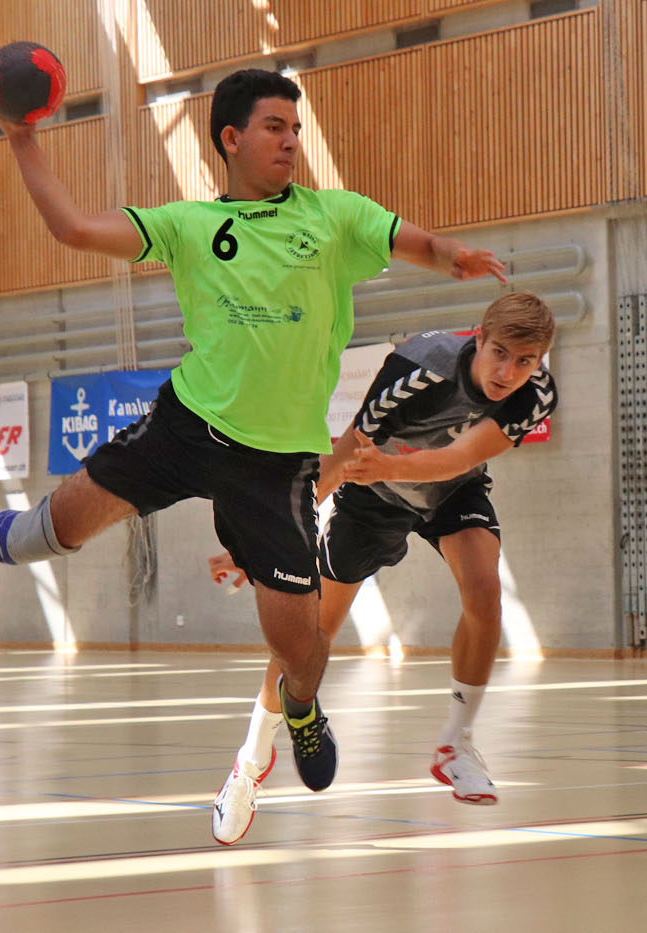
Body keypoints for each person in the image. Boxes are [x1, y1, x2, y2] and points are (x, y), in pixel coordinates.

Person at [0, 69, 506, 805]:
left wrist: (451, 256)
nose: (292, 140)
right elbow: (73, 229)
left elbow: (416, 242)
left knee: (301, 649)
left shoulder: (334, 216)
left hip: (277, 462)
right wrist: (21, 138)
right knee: (50, 529)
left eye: (295, 128)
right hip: (186, 427)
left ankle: (302, 710)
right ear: (232, 138)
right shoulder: (189, 226)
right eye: (275, 126)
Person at [207, 292, 557, 844]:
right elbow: (342, 458)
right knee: (308, 637)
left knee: (485, 592)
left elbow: (461, 458)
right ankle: (249, 765)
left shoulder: (536, 394)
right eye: (500, 354)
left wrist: (392, 465)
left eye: (525, 361)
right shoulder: (416, 371)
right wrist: (258, 542)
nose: (508, 373)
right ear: (478, 338)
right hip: (372, 497)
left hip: (450, 491)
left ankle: (456, 744)